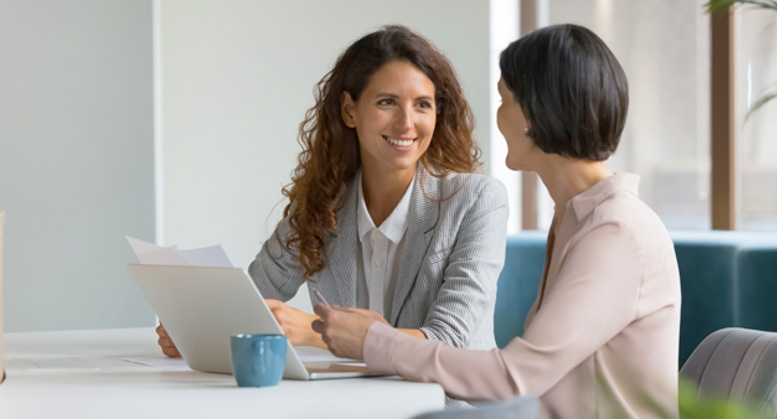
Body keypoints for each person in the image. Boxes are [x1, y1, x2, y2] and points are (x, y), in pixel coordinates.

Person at [312, 24, 681, 419]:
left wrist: (374, 341)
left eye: (505, 99)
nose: (498, 114)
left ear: (536, 114)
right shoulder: (577, 218)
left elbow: (514, 379)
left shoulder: (617, 231)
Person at [155, 25, 508, 368]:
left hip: (449, 407)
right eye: (387, 102)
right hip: (350, 403)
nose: (406, 123)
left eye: (422, 105)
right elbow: (257, 299)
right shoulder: (320, 204)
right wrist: (200, 328)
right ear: (349, 110)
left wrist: (313, 331)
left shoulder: (477, 201)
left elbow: (448, 344)